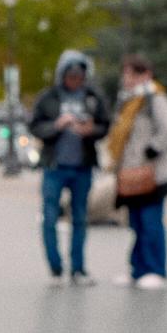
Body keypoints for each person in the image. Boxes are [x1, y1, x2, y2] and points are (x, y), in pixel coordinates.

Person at [27, 48, 106, 282]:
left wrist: (91, 130)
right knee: (50, 216)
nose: (75, 80)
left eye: (79, 76)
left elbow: (105, 124)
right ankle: (55, 265)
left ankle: (78, 268)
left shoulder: (92, 97)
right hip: (55, 166)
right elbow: (35, 126)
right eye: (71, 76)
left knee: (80, 217)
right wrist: (57, 125)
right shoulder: (49, 97)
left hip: (82, 165)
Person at [103, 53, 167, 288]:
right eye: (126, 74)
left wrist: (152, 149)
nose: (127, 79)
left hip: (152, 172)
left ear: (145, 74)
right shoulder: (127, 100)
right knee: (136, 223)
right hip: (130, 172)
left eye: (132, 74)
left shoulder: (154, 98)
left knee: (150, 222)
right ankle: (138, 269)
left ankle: (156, 268)